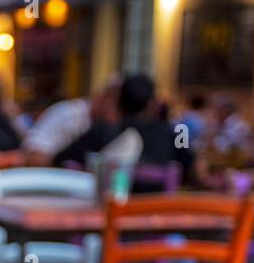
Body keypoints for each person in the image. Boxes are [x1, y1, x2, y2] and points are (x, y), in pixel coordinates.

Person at [52, 73, 194, 188]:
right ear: (152, 104)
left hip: (107, 215)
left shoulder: (102, 131)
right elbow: (190, 166)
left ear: (119, 101)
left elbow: (61, 160)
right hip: (156, 215)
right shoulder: (175, 133)